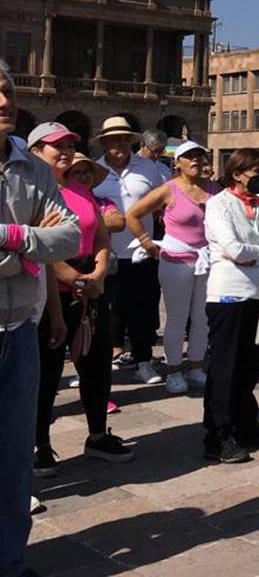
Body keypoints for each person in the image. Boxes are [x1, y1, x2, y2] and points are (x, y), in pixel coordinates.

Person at [0, 62, 82, 576]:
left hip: (19, 331)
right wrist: (33, 248)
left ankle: (10, 559)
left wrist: (11, 239)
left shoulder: (30, 169)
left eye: (7, 91)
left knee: (14, 458)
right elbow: (49, 245)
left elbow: (71, 237)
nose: (4, 101)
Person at [28, 123, 133, 478]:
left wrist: (99, 273)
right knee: (47, 371)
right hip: (50, 290)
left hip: (91, 286)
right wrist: (70, 276)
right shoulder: (31, 192)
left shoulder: (79, 189)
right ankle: (39, 442)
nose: (66, 151)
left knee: (97, 363)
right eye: (57, 145)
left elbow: (101, 235)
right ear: (36, 152)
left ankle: (98, 433)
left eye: (70, 144)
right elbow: (36, 242)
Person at [203, 148, 259, 464]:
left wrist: (256, 254)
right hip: (228, 294)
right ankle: (218, 435)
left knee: (249, 368)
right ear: (237, 173)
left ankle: (245, 425)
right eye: (255, 170)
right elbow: (232, 248)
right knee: (224, 367)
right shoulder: (219, 204)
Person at [125, 141, 219, 395]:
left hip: (206, 258)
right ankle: (174, 370)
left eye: (200, 155)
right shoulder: (169, 189)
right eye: (190, 157)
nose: (196, 161)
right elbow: (133, 214)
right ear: (177, 163)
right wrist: (148, 243)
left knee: (202, 317)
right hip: (176, 259)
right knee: (177, 317)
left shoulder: (214, 188)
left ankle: (196, 366)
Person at [94, 116, 168, 384]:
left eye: (125, 139)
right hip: (104, 253)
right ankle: (108, 357)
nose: (121, 144)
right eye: (115, 139)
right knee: (107, 311)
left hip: (140, 250)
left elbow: (165, 202)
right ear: (103, 142)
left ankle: (144, 361)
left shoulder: (148, 168)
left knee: (143, 309)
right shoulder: (93, 170)